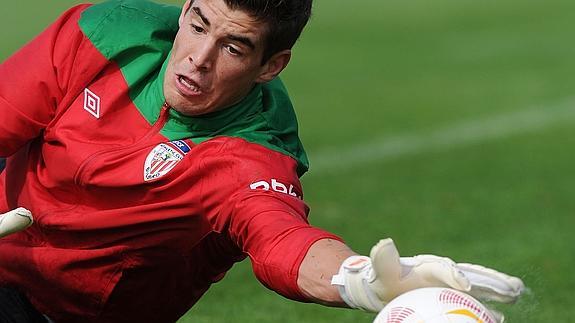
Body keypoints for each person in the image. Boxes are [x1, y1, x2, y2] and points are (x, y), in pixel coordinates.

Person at [0, 0, 525, 322]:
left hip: (64, 311)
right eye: (200, 24)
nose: (198, 59)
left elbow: (286, 244)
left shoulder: (256, 154)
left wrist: (362, 280)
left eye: (233, 48)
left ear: (270, 65)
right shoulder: (106, 32)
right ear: (184, 9)